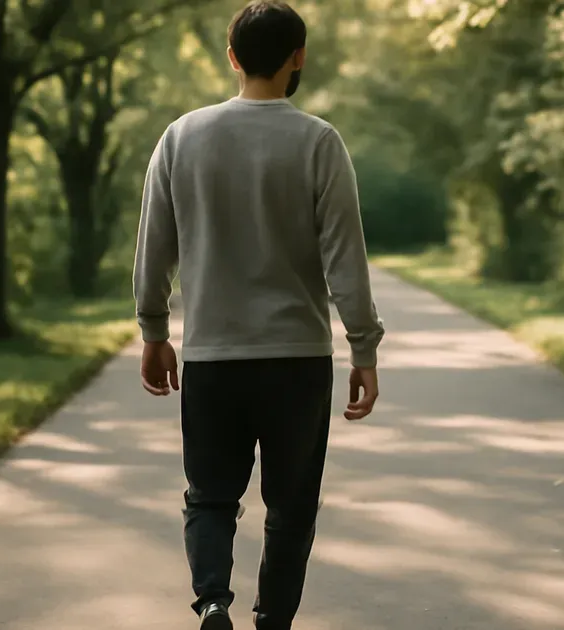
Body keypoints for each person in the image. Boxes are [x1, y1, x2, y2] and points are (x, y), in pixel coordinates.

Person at [131, 2, 385, 628]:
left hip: (214, 357)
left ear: (232, 57)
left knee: (210, 498)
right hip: (297, 361)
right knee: (291, 509)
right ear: (299, 56)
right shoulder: (320, 142)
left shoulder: (181, 137)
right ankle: (273, 621)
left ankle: (214, 601)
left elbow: (153, 246)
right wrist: (364, 350)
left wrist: (154, 331)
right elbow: (345, 261)